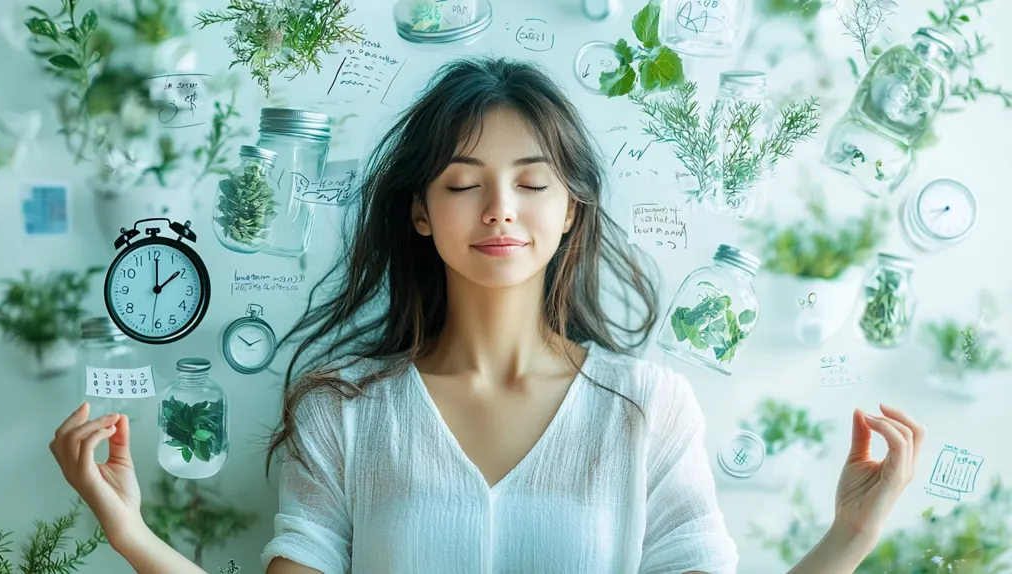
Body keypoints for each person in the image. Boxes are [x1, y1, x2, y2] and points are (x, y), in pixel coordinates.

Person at [49, 57, 926, 574]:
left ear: (571, 207)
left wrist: (847, 538)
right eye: (465, 185)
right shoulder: (345, 407)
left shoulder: (647, 407)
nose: (500, 209)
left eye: (533, 182)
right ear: (422, 211)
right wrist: (131, 535)